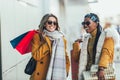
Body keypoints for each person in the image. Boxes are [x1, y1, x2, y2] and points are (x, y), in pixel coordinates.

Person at [72, 13, 116, 80]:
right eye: (83, 23)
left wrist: (101, 69)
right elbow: (76, 58)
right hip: (88, 75)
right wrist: (76, 44)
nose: (85, 25)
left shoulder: (107, 36)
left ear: (96, 24)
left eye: (87, 23)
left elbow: (106, 53)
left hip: (101, 74)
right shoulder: (86, 39)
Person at [30, 13, 70, 80]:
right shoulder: (37, 36)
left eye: (55, 23)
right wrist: (48, 42)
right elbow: (36, 56)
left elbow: (65, 57)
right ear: (44, 23)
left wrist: (66, 70)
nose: (52, 25)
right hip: (41, 75)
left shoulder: (61, 38)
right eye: (49, 22)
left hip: (57, 74)